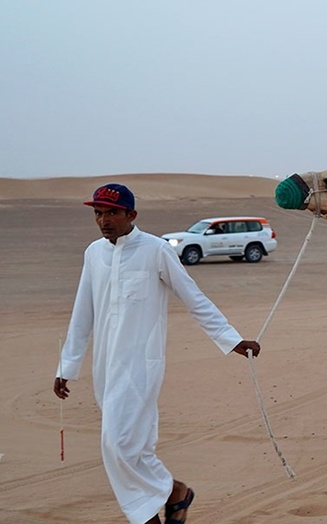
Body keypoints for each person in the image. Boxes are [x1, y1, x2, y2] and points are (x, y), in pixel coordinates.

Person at [53, 183, 261, 524]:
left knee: (116, 445)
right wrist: (67, 365)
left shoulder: (156, 250)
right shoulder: (93, 253)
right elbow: (82, 313)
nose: (104, 220)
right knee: (133, 447)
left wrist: (232, 339)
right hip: (105, 366)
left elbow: (193, 297)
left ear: (131, 215)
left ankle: (155, 509)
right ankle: (175, 495)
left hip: (141, 365)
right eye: (98, 213)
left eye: (112, 213)